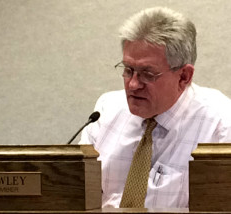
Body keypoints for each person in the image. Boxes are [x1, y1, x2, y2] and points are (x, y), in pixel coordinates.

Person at [79, 7, 231, 208]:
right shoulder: (106, 110)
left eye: (147, 74)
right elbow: (77, 193)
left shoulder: (221, 126)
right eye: (128, 70)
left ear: (184, 76)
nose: (133, 84)